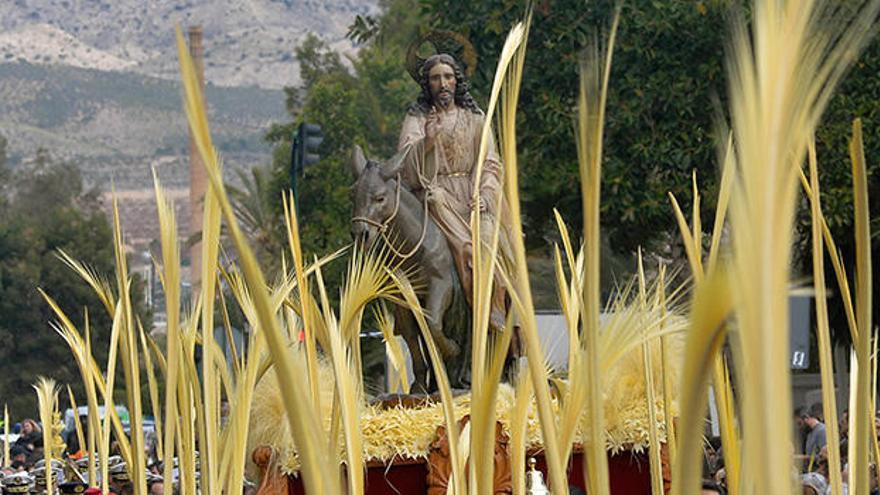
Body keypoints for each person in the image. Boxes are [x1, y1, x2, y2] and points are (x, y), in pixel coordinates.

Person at [398, 52, 513, 333]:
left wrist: (485, 194)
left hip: (474, 198)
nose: (443, 83)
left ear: (457, 80)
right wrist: (428, 141)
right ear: (428, 84)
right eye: (436, 78)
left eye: (448, 76)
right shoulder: (417, 119)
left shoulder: (475, 119)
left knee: (492, 246)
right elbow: (403, 163)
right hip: (436, 198)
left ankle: (494, 307)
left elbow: (490, 162)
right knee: (437, 203)